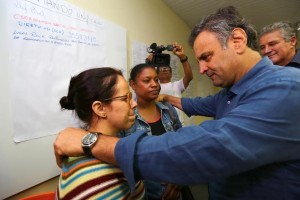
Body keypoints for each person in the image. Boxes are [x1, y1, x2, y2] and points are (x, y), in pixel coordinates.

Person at [54, 6, 300, 200]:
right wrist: (167, 97)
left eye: (206, 57)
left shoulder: (285, 88)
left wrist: (90, 142)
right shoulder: (231, 92)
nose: (201, 69)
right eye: (127, 95)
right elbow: (198, 105)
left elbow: (205, 149)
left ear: (237, 40)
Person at [56, 67, 145, 199]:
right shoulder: (97, 178)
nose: (133, 104)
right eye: (126, 98)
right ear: (100, 108)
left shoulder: (99, 150)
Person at [120, 63, 190, 200]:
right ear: (133, 85)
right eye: (147, 81)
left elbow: (183, 145)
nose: (154, 84)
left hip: (175, 190)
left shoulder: (168, 109)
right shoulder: (126, 117)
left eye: (156, 79)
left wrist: (179, 179)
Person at [146, 42, 193, 125]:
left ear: (171, 74)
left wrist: (183, 58)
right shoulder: (154, 86)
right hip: (162, 124)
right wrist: (147, 63)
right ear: (156, 73)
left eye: (167, 68)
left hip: (178, 125)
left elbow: (189, 77)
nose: (164, 70)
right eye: (162, 69)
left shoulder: (177, 85)